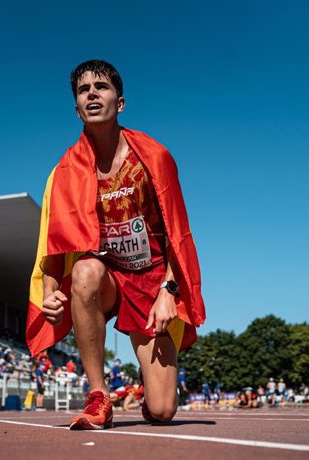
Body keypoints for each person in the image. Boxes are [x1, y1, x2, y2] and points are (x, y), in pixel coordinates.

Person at [26, 60, 205, 430]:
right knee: (85, 271)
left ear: (119, 103)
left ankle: (148, 391)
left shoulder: (154, 156)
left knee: (162, 412)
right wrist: (49, 289)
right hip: (106, 275)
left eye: (101, 86)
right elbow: (54, 240)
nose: (92, 93)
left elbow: (178, 232)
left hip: (152, 280)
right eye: (83, 89)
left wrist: (169, 290)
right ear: (77, 108)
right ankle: (98, 395)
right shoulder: (65, 170)